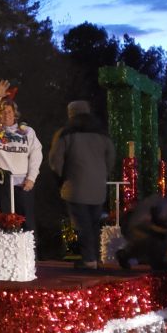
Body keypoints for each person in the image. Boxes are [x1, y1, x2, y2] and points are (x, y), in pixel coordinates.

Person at [48, 100, 115, 271]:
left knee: (83, 225)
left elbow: (55, 161)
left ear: (71, 114)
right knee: (93, 223)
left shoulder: (65, 134)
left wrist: (62, 177)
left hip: (75, 187)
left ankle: (89, 261)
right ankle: (97, 258)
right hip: (99, 187)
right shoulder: (103, 135)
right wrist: (102, 174)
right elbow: (111, 159)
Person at [0, 80, 43, 231]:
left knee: (26, 223)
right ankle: (4, 252)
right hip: (0, 183)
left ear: (15, 114)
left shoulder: (27, 131)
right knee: (2, 222)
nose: (6, 114)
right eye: (3, 112)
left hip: (22, 184)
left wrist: (31, 177)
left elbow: (36, 154)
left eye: (9, 111)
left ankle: (28, 253)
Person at [117, 195, 167, 271]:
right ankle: (157, 262)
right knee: (156, 240)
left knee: (144, 244)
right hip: (140, 226)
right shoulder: (160, 202)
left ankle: (125, 256)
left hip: (140, 227)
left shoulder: (162, 203)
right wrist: (164, 229)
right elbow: (154, 218)